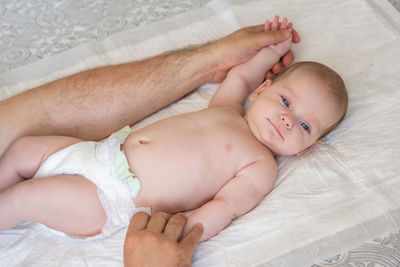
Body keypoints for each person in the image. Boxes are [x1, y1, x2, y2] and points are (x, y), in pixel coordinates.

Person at [0, 16, 347, 243]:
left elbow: (227, 205)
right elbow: (240, 75)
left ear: (306, 148)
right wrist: (273, 49)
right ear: (261, 91)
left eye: (304, 124)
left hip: (110, 199)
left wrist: (185, 236)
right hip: (98, 152)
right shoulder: (228, 108)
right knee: (22, 149)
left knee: (24, 198)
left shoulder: (261, 165)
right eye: (286, 101)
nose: (288, 119)